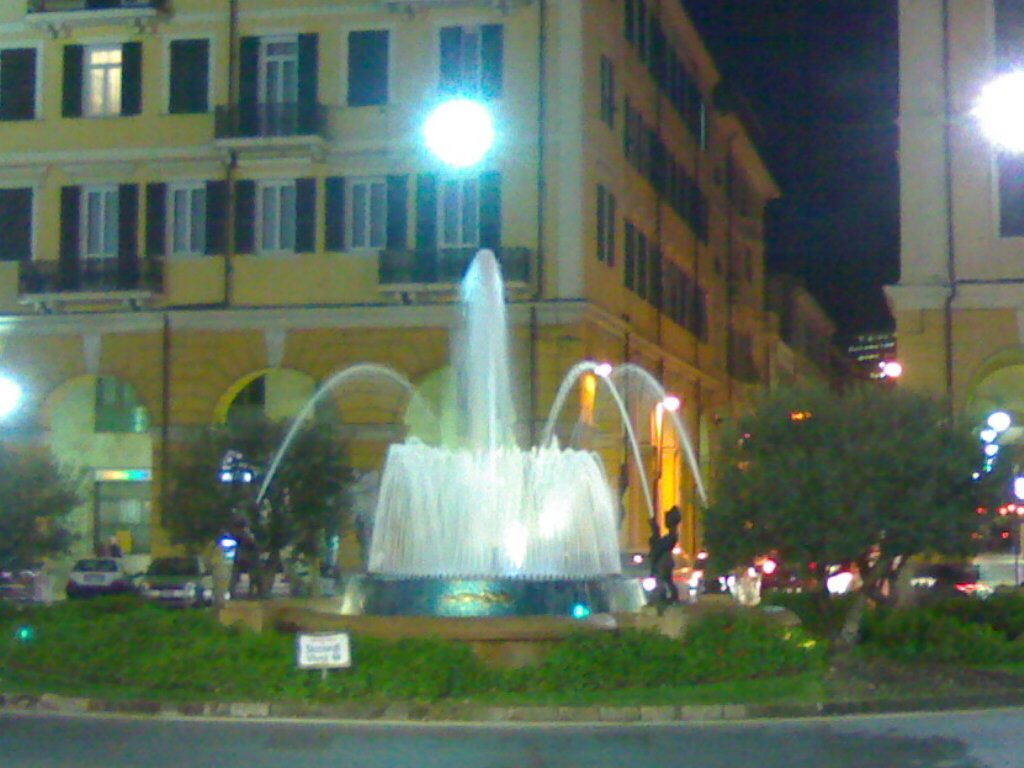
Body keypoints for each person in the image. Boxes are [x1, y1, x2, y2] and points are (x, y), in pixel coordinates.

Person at [648, 505, 681, 606]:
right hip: (665, 559)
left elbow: (658, 546)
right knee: (667, 580)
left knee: (661, 579)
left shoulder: (672, 535)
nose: (665, 521)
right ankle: (670, 597)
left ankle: (662, 598)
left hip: (664, 560)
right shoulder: (672, 535)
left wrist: (655, 530)